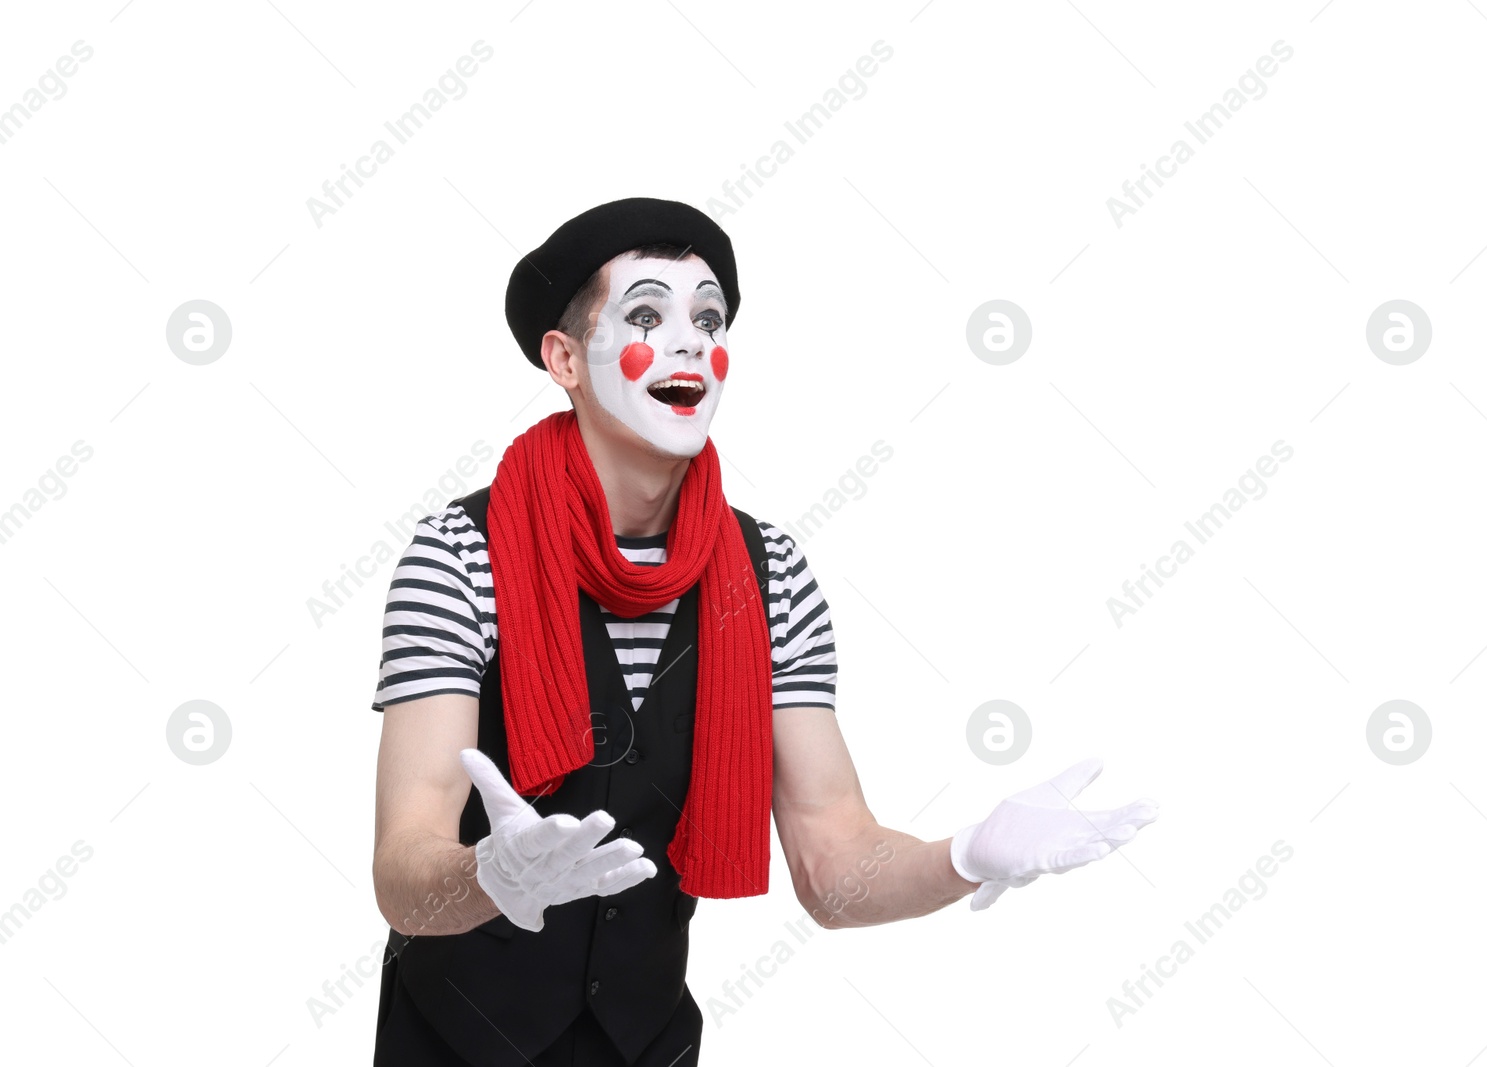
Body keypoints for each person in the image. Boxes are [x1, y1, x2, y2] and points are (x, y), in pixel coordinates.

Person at [368, 197, 1158, 1066]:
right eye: (644, 315)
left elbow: (833, 859)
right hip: (452, 1044)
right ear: (564, 359)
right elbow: (404, 868)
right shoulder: (458, 555)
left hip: (649, 1045)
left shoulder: (770, 572)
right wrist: (489, 875)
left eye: (707, 319)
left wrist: (966, 854)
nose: (689, 344)